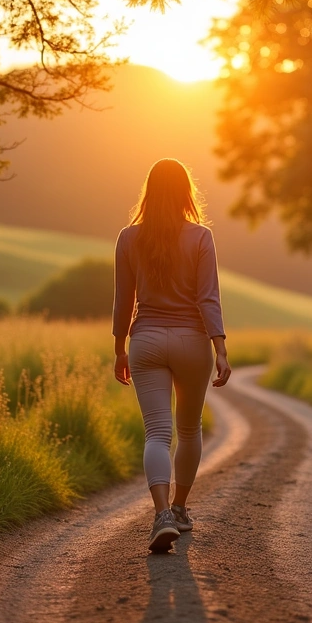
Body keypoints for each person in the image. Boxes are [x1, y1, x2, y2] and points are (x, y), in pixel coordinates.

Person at [112, 158, 232, 552]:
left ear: (148, 191)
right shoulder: (200, 237)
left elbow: (123, 301)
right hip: (191, 342)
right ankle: (179, 509)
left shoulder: (129, 238)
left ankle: (161, 513)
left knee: (157, 434)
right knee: (189, 429)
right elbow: (207, 298)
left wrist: (118, 349)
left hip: (145, 340)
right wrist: (220, 348)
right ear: (186, 192)